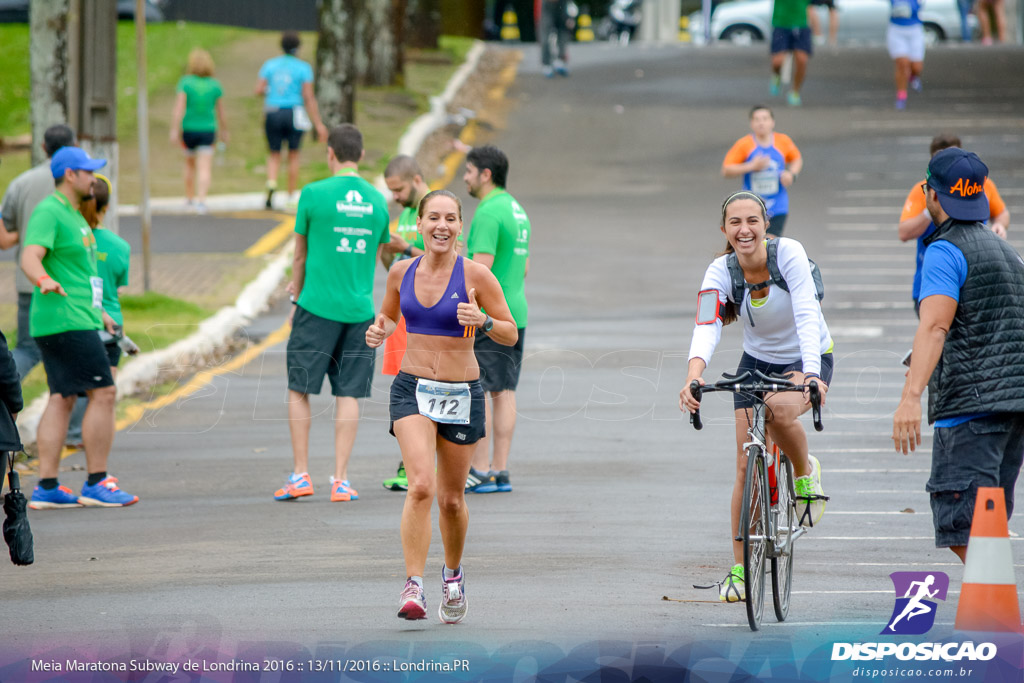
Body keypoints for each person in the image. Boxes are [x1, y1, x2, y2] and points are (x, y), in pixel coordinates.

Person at [365, 189, 518, 622]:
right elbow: (390, 316)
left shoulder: (476, 277)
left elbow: (510, 332)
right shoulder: (400, 271)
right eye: (433, 217)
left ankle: (452, 575)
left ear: (460, 227)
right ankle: (413, 586)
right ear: (419, 223)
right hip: (412, 388)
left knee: (451, 500)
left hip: (461, 393)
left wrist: (484, 321)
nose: (441, 226)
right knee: (420, 486)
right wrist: (379, 331)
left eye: (450, 218)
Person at [679, 190, 832, 602]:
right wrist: (694, 377)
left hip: (807, 354)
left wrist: (812, 376)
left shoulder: (789, 255)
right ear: (725, 230)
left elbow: (805, 313)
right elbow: (706, 325)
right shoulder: (720, 270)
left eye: (752, 221)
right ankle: (741, 570)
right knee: (745, 467)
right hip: (756, 363)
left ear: (765, 225)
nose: (744, 230)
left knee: (781, 412)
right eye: (735, 223)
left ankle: (804, 474)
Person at [892, 148, 1024, 563]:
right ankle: (997, 615)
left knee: (964, 525)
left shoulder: (944, 251)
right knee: (988, 522)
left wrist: (911, 398)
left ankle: (998, 617)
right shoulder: (1006, 251)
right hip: (1012, 408)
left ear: (932, 194)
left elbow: (935, 326)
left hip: (971, 409)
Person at [276, 124, 389, 503]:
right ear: (359, 154)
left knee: (299, 389)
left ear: (330, 153)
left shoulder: (313, 194)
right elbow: (377, 255)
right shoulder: (377, 201)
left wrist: (296, 296)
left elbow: (299, 256)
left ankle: (300, 474)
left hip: (316, 306)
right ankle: (340, 480)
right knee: (349, 393)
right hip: (359, 310)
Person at [22, 147, 138, 509]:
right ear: (70, 174)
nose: (95, 178)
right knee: (103, 393)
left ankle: (47, 486)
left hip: (80, 317)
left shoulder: (73, 216)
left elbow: (81, 275)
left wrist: (101, 313)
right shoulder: (50, 211)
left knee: (63, 397)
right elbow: (29, 254)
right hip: (64, 320)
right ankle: (96, 481)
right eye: (89, 172)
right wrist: (42, 279)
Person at [0, 125, 87, 447]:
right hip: (72, 284)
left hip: (28, 281)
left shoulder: (21, 183)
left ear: (42, 146)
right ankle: (74, 432)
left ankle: (7, 394)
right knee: (74, 358)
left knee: (26, 349)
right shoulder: (77, 184)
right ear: (74, 147)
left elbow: (4, 238)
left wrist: (30, 233)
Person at [462, 145, 530, 494]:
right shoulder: (517, 210)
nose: (465, 177)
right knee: (503, 392)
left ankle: (481, 469)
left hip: (488, 315)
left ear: (485, 174)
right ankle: (500, 470)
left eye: (469, 171)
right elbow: (525, 267)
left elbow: (478, 270)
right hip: (515, 311)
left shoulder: (488, 212)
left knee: (480, 389)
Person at [898, 134, 1010, 314]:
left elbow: (1002, 214)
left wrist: (1000, 225)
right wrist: (930, 208)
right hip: (933, 281)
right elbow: (904, 232)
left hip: (975, 282)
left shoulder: (983, 185)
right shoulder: (924, 192)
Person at [379, 155, 432, 492]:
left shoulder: (435, 211)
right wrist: (387, 251)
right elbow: (395, 271)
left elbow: (453, 258)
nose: (395, 196)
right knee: (405, 394)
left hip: (430, 325)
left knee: (425, 394)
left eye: (398, 189)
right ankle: (409, 465)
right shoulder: (404, 217)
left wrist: (408, 246)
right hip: (404, 323)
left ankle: (421, 466)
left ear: (415, 179)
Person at [255, 31, 328, 209]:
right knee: (293, 155)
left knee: (274, 154)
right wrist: (318, 124)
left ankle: (272, 182)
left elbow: (258, 90)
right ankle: (290, 196)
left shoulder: (270, 65)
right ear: (298, 47)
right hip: (295, 112)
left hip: (273, 111)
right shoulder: (303, 68)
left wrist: (272, 92)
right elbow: (308, 96)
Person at [79, 174, 138, 373]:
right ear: (107, 206)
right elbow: (118, 287)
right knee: (104, 396)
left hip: (76, 321)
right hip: (111, 327)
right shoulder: (121, 247)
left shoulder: (70, 241)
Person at [722, 106, 803, 238]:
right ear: (751, 123)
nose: (761, 123)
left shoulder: (783, 141)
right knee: (755, 241)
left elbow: (797, 159)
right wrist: (751, 166)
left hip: (778, 205)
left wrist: (791, 174)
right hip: (752, 205)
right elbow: (726, 170)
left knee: (770, 242)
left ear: (772, 122)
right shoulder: (744, 144)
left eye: (765, 119)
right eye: (757, 119)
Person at [170, 48, 229, 214]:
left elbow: (179, 108)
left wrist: (175, 129)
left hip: (189, 129)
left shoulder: (186, 82)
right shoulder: (215, 85)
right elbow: (221, 112)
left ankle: (189, 197)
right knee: (204, 167)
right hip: (208, 130)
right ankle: (202, 200)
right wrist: (225, 131)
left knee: (189, 165)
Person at [769, 0, 812, 107]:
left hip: (801, 26)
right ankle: (777, 76)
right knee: (777, 62)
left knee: (802, 60)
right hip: (781, 25)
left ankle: (795, 92)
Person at [887, 0, 926, 111]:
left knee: (917, 67)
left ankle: (913, 76)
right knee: (902, 64)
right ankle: (901, 95)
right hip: (896, 30)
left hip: (914, 30)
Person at [539, 0, 571, 78]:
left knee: (563, 31)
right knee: (545, 34)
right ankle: (546, 64)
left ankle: (560, 60)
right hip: (548, 3)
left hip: (561, 3)